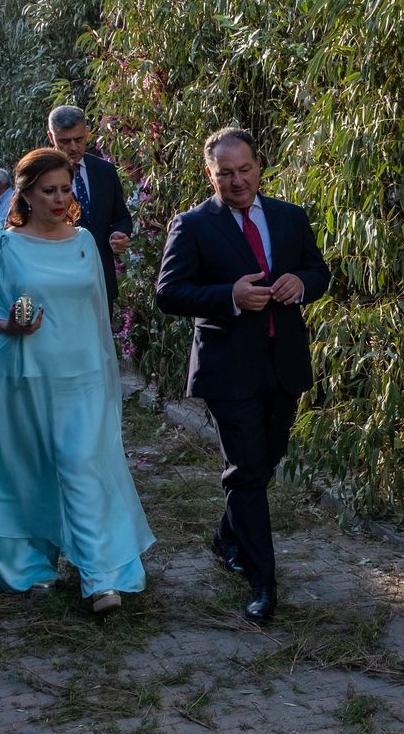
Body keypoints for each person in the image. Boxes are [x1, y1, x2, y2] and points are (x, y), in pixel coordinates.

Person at [0, 148, 154, 614]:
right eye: (49, 190)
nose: (60, 198)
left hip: (81, 374)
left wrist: (109, 375)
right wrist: (8, 325)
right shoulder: (1, 244)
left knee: (82, 465)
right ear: (26, 193)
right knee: (24, 470)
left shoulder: (85, 240)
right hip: (20, 375)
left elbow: (97, 312)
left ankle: (100, 575)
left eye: (65, 189)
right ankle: (29, 566)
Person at [154, 127, 330, 624]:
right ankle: (263, 583)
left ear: (259, 166)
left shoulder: (289, 217)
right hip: (228, 368)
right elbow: (169, 293)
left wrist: (303, 282)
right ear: (210, 175)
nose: (236, 181)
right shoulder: (191, 226)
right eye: (225, 173)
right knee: (247, 471)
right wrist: (229, 295)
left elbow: (320, 272)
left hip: (284, 363)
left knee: (266, 460)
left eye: (244, 170)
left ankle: (226, 537)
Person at [47, 106, 132, 316]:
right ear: (51, 137)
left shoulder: (105, 171)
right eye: (64, 142)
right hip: (57, 284)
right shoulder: (40, 176)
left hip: (101, 281)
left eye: (78, 139)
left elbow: (121, 217)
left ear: (87, 133)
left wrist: (118, 234)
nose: (73, 147)